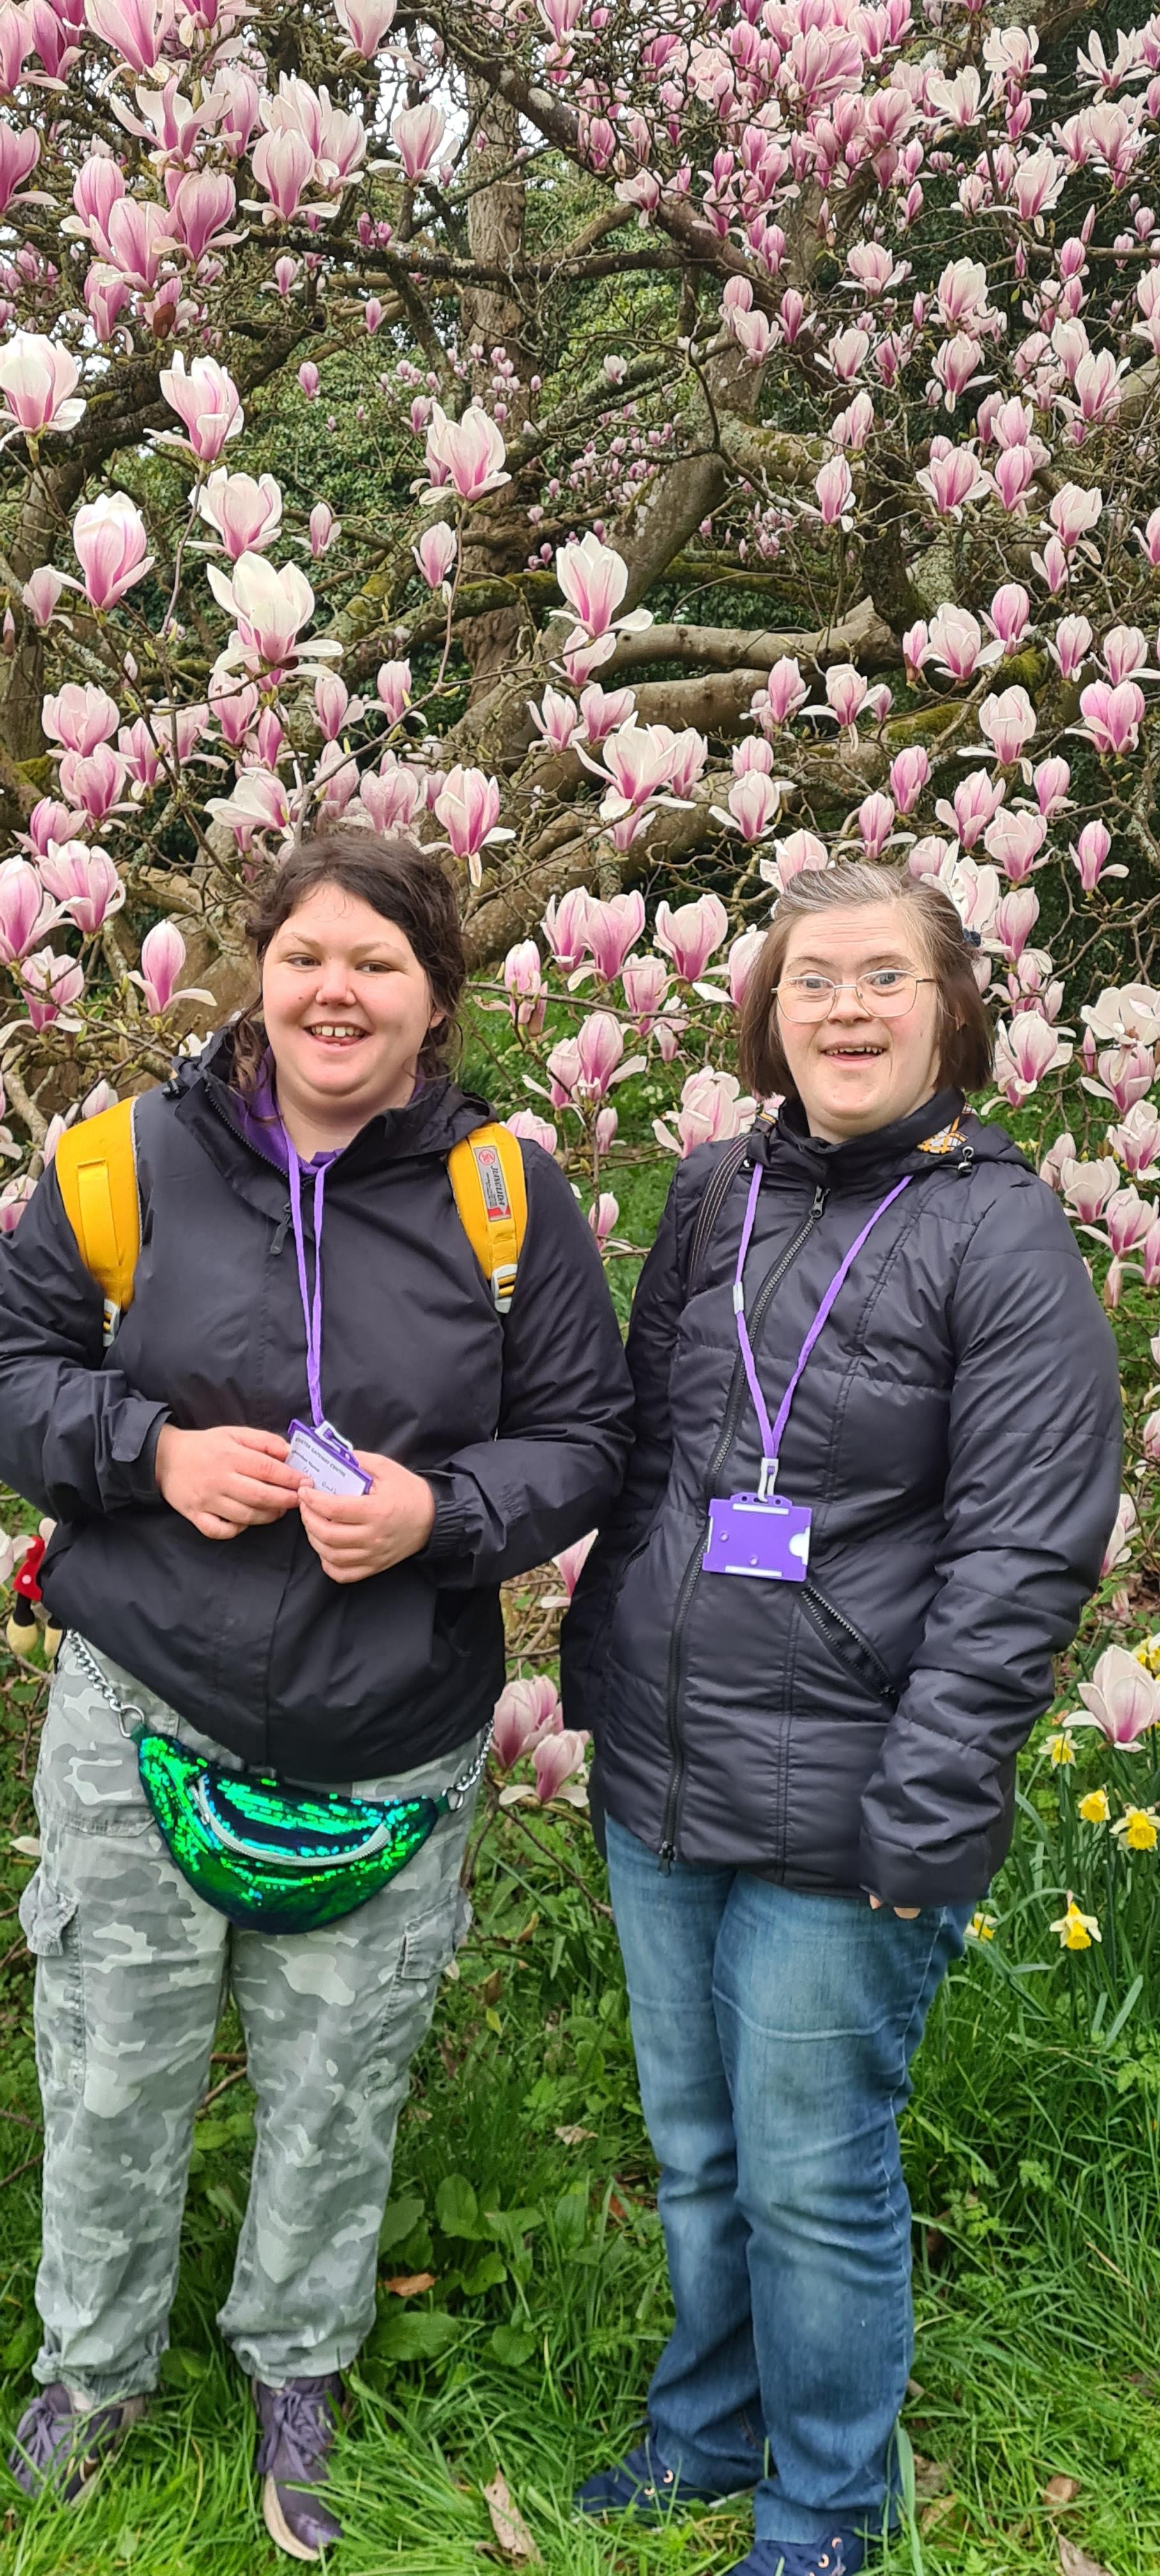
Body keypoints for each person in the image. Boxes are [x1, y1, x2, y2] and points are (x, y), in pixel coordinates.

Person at [0, 826, 632, 2559]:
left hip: (390, 1732)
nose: (335, 993)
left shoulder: (506, 1195)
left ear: (436, 996)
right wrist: (147, 1452)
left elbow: (587, 1436)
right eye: (305, 958)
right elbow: (14, 1367)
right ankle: (93, 2373)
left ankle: (298, 2369)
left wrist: (447, 1515)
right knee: (112, 2068)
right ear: (255, 975)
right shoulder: (122, 1161)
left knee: (341, 2083)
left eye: (377, 963)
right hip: (145, 1697)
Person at [563, 859, 1121, 2576]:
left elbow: (1024, 1555)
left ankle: (824, 2504)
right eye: (813, 978)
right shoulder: (712, 1193)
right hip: (667, 1764)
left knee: (812, 2173)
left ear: (954, 1009)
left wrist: (930, 1807)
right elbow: (653, 1459)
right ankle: (706, 2431)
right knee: (697, 2146)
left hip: (854, 1786)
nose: (848, 1009)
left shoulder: (1001, 1235)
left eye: (886, 976)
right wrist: (602, 1679)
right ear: (768, 1014)